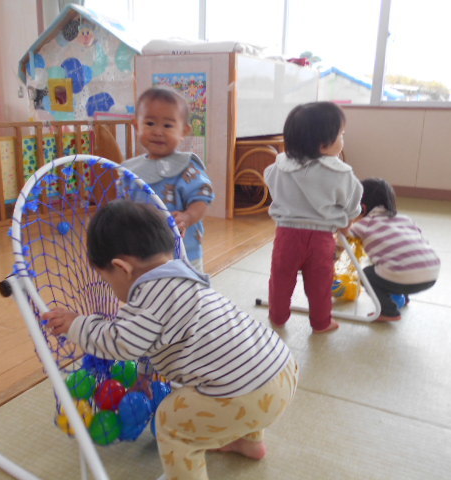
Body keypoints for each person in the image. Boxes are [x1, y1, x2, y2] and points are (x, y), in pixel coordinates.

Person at [42, 200, 298, 480]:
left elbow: (120, 342)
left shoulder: (148, 297)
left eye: (107, 279)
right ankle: (249, 442)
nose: (110, 288)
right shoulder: (182, 276)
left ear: (122, 268)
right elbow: (156, 340)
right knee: (234, 367)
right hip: (280, 370)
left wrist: (76, 325)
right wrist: (144, 373)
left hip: (243, 396)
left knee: (170, 423)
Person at [264, 101, 363, 333]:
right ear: (323, 144)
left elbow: (268, 178)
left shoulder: (280, 166)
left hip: (287, 234)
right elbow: (352, 204)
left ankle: (277, 316)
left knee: (281, 278)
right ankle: (321, 322)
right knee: (320, 282)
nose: (343, 139)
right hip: (321, 238)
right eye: (341, 135)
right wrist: (346, 224)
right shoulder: (341, 174)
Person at [123, 86, 215, 271]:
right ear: (137, 126)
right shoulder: (130, 170)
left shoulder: (187, 167)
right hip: (143, 253)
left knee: (187, 288)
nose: (158, 131)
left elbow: (202, 199)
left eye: (167, 125)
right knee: (149, 286)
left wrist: (188, 216)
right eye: (150, 123)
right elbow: (124, 205)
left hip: (184, 253)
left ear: (184, 131)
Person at [349, 178, 441, 321]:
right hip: (432, 274)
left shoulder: (364, 224)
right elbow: (413, 242)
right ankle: (404, 297)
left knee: (367, 274)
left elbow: (344, 238)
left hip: (404, 277)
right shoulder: (405, 219)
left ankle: (387, 311)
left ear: (362, 207)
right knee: (398, 258)